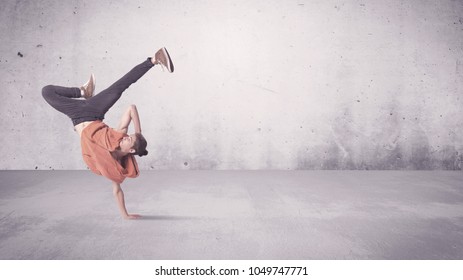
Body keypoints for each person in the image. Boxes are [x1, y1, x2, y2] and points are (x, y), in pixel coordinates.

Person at [42, 47, 174, 219]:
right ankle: (154, 60)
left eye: (130, 139)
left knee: (46, 92)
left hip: (76, 116)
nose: (127, 136)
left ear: (131, 150)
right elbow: (131, 108)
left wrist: (125, 215)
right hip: (93, 111)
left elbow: (117, 190)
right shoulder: (120, 134)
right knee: (120, 86)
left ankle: (84, 92)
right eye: (129, 135)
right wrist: (138, 133)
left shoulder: (114, 164)